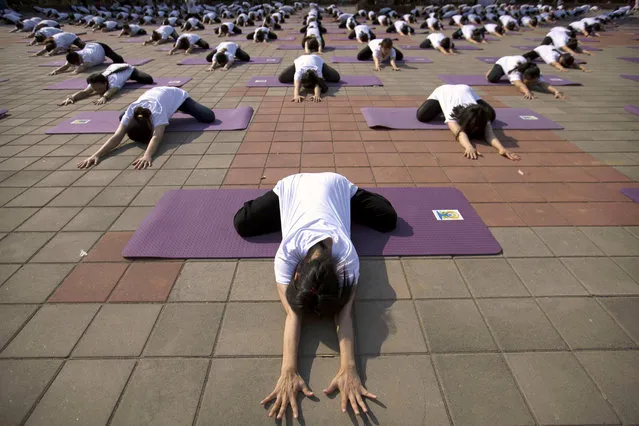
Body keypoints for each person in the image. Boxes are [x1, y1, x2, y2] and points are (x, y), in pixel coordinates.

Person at [233, 172, 397, 419]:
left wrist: (349, 368)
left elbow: (345, 315)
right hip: (291, 188)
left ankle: (345, 199)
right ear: (296, 276)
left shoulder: (347, 258)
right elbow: (293, 312)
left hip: (336, 185)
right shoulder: (287, 252)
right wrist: (288, 370)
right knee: (242, 223)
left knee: (388, 219)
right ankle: (294, 206)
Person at [77, 87, 215, 170]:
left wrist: (147, 155)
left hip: (176, 96)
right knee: (121, 118)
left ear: (150, 124)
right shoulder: (130, 112)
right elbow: (117, 136)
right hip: (153, 95)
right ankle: (170, 110)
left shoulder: (157, 112)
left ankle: (177, 108)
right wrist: (96, 154)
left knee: (208, 116)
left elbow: (156, 137)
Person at [417, 84, 520, 161]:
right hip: (443, 90)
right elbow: (459, 133)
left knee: (492, 115)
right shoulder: (452, 114)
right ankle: (440, 107)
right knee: (422, 116)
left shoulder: (481, 114)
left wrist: (501, 148)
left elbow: (490, 134)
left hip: (465, 89)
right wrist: (469, 147)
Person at [57, 63, 154, 105]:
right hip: (112, 68)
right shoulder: (94, 83)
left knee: (148, 79)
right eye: (95, 89)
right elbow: (85, 92)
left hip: (129, 70)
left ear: (105, 83)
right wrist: (72, 98)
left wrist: (104, 97)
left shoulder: (114, 81)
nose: (96, 91)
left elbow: (112, 90)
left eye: (99, 89)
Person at [278, 39, 341, 103]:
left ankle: (322, 66)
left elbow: (318, 82)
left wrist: (317, 95)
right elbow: (297, 84)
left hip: (317, 59)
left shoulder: (316, 69)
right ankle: (297, 67)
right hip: (300, 60)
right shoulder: (300, 71)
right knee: (281, 78)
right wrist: (296, 95)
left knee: (336, 77)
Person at [486, 56, 566, 100]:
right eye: (529, 80)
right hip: (503, 62)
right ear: (523, 76)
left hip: (519, 61)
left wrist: (556, 92)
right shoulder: (514, 71)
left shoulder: (535, 71)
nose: (531, 83)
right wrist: (527, 92)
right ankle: (492, 70)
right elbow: (520, 85)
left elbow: (543, 84)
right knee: (492, 79)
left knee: (530, 83)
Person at [48, 42, 124, 75]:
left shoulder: (85, 56)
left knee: (119, 60)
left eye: (77, 63)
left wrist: (75, 72)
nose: (77, 64)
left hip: (101, 47)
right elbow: (66, 66)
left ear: (78, 58)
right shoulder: (73, 56)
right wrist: (56, 71)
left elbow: (81, 68)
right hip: (90, 47)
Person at [522, 45, 590, 72]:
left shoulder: (564, 55)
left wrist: (582, 68)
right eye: (563, 63)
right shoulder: (551, 57)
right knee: (523, 58)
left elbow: (573, 63)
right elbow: (554, 64)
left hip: (549, 47)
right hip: (540, 49)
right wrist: (561, 68)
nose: (563, 64)